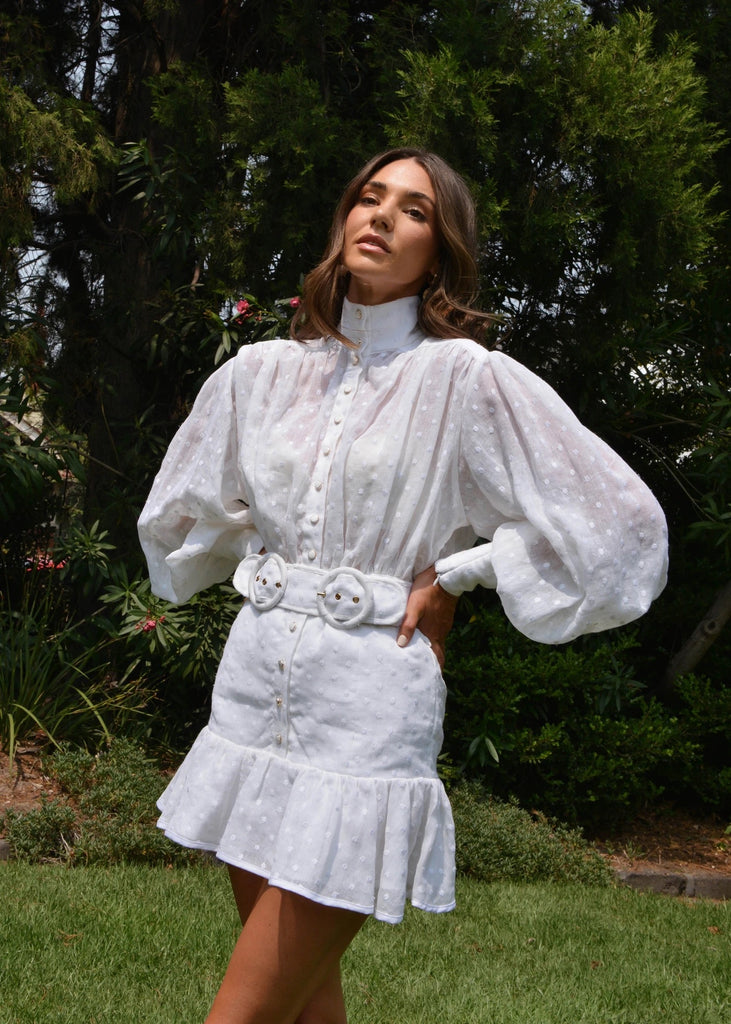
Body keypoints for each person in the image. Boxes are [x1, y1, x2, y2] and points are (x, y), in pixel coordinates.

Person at [138, 147, 668, 1023]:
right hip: (251, 689)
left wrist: (467, 568)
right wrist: (262, 562)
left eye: (412, 209)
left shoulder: (465, 378)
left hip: (368, 702)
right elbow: (179, 512)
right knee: (304, 1005)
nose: (380, 216)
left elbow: (616, 523)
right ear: (343, 217)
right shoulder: (259, 373)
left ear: (440, 248)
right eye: (368, 197)